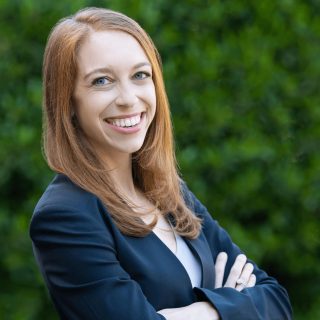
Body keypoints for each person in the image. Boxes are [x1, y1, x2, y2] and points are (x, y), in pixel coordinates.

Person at [29, 7, 292, 320]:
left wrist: (204, 313)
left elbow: (275, 300)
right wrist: (232, 303)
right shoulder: (64, 217)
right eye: (102, 81)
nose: (128, 98)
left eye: (140, 75)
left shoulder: (170, 192)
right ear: (68, 102)